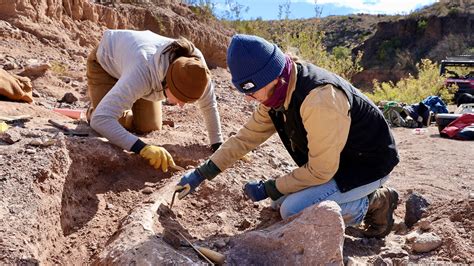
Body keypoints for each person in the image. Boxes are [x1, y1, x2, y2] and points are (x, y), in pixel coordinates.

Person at [175, 34, 400, 238]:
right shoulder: (276, 94)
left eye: (251, 91)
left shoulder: (319, 99)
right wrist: (201, 174)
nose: (248, 99)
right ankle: (357, 199)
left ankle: (375, 202)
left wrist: (268, 187)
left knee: (292, 210)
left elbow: (321, 171)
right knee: (280, 203)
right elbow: (245, 139)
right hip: (339, 161)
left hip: (368, 165)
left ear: (270, 78)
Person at [87, 30, 223, 172]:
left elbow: (209, 106)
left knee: (149, 126)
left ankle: (123, 99)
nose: (182, 106)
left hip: (135, 73)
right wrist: (142, 148)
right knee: (109, 121)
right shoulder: (142, 71)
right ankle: (93, 109)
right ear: (168, 84)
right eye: (181, 98)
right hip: (106, 65)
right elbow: (101, 119)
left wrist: (218, 145)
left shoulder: (197, 71)